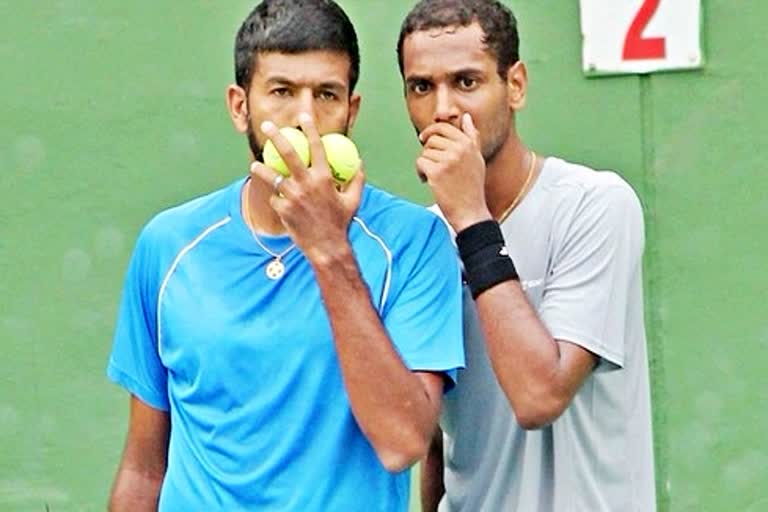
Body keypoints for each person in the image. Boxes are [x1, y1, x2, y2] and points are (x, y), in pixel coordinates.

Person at [106, 1, 465, 510]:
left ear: (351, 111)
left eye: (326, 95)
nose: (304, 118)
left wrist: (328, 250)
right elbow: (144, 468)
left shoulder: (414, 241)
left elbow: (403, 442)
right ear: (239, 106)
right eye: (281, 91)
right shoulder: (168, 244)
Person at [396, 1, 657, 511]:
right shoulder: (423, 239)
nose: (443, 108)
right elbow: (435, 440)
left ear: (515, 85)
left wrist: (471, 217)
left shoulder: (596, 206)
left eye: (466, 82)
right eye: (422, 87)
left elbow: (540, 396)